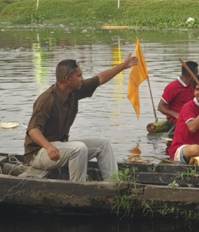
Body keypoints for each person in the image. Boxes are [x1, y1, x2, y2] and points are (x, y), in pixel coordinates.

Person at [24, 54, 140, 182]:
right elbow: (33, 130)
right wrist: (48, 147)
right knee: (79, 149)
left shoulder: (75, 90)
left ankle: (113, 185)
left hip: (60, 147)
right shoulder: (46, 100)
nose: (82, 79)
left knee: (103, 145)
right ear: (68, 79)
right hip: (39, 153)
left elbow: (99, 79)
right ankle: (78, 190)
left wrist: (123, 66)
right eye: (79, 76)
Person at [158, 61, 199, 132]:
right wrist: (176, 115)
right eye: (196, 75)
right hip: (179, 121)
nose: (197, 78)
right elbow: (160, 107)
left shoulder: (195, 86)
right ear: (191, 77)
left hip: (193, 117)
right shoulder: (173, 87)